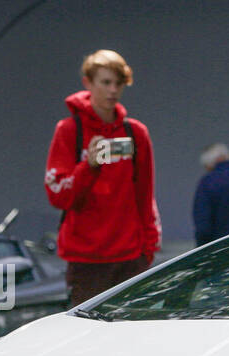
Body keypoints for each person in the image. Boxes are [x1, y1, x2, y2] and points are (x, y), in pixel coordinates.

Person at [45, 49, 161, 306]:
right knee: (87, 331)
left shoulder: (135, 133)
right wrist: (89, 166)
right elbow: (58, 196)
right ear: (88, 82)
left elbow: (145, 194)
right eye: (106, 82)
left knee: (133, 329)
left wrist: (148, 250)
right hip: (86, 262)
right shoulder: (69, 130)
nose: (113, 90)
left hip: (131, 259)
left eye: (119, 83)